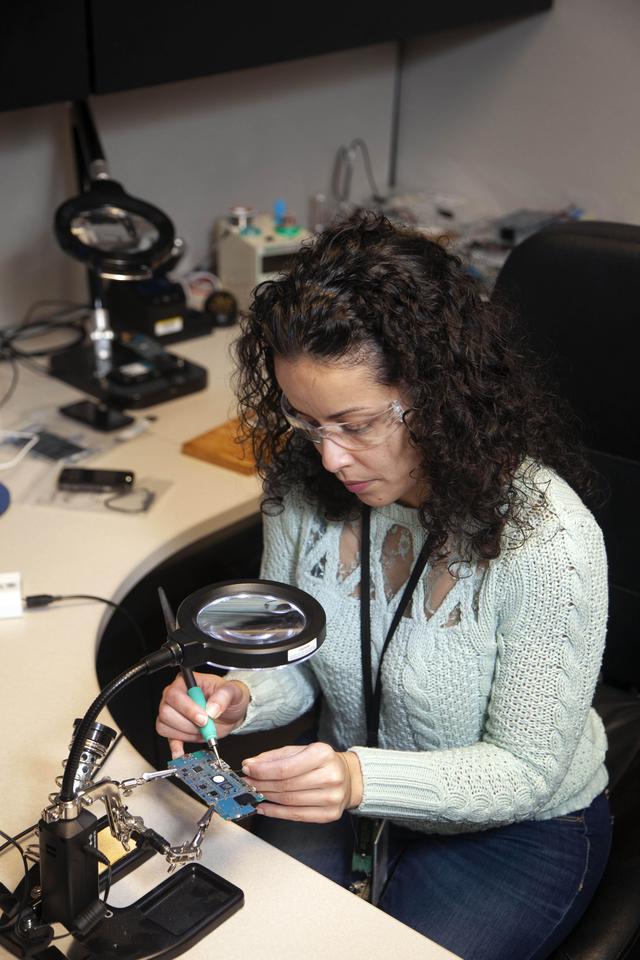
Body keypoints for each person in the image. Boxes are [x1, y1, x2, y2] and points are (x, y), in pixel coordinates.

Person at [157, 210, 612, 960]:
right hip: (349, 792)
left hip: (516, 828)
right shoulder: (302, 487)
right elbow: (293, 661)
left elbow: (526, 772)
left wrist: (357, 777)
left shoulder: (550, 543)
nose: (329, 458)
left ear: (439, 396)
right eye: (306, 422)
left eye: (357, 424)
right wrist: (241, 697)